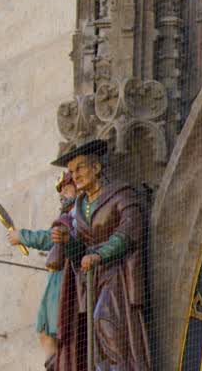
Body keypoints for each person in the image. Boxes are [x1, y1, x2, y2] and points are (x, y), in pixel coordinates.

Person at [48, 139, 152, 371]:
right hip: (91, 282)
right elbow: (80, 254)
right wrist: (68, 242)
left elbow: (130, 229)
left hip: (118, 277)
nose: (75, 175)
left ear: (96, 168)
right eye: (72, 171)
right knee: (95, 335)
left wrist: (100, 254)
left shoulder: (121, 194)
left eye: (81, 168)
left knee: (105, 320)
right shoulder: (79, 208)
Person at [8, 171, 79, 368]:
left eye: (66, 188)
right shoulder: (67, 215)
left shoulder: (78, 214)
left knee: (57, 330)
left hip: (67, 279)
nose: (62, 194)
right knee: (45, 332)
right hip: (56, 279)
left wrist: (21, 236)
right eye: (61, 191)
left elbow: (50, 238)